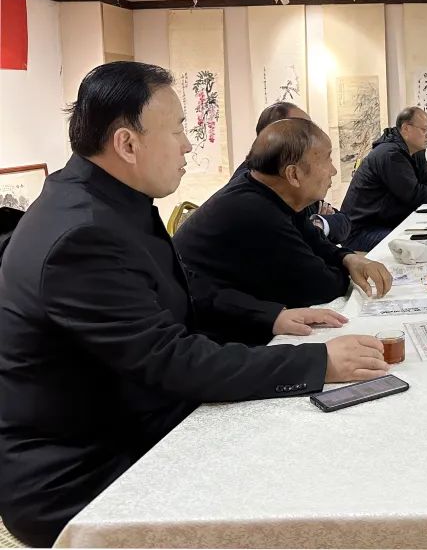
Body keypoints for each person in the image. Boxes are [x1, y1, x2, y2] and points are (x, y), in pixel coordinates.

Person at [0, 62, 389, 547]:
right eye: (178, 130)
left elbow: (185, 289)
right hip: (85, 471)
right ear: (127, 144)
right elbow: (170, 358)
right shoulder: (82, 234)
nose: (188, 145)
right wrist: (318, 361)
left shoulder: (104, 201)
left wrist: (270, 316)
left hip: (135, 418)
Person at [175, 118, 393, 316]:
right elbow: (320, 287)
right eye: (327, 159)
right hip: (201, 329)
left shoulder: (269, 193)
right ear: (293, 174)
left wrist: (349, 258)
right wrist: (345, 270)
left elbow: (314, 241)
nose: (333, 171)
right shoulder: (255, 211)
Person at [341, 106, 427, 252]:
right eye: (424, 130)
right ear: (406, 129)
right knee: (422, 248)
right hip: (362, 231)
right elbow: (415, 196)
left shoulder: (414, 151)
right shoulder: (390, 154)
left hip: (386, 222)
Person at [232, 101, 350, 244]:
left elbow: (342, 222)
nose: (312, 134)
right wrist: (312, 230)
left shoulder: (298, 179)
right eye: (303, 129)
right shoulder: (253, 186)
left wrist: (319, 223)